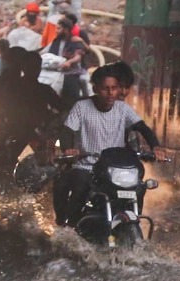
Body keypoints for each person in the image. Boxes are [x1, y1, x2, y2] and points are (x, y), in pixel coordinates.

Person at [53, 65, 166, 226]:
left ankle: (133, 223)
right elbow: (66, 132)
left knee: (138, 188)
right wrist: (68, 149)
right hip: (87, 166)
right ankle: (71, 228)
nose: (111, 93)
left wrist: (156, 147)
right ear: (95, 89)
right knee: (79, 188)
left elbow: (142, 128)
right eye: (106, 89)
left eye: (114, 88)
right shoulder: (82, 107)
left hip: (114, 169)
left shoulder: (123, 109)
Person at [0, 47, 62, 175]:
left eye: (36, 67)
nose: (34, 70)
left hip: (36, 132)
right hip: (12, 131)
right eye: (31, 67)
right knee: (3, 160)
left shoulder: (43, 90)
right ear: (24, 67)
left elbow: (62, 107)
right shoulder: (10, 87)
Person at [42, 14, 84, 108]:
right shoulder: (56, 41)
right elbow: (44, 52)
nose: (56, 31)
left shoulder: (74, 41)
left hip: (70, 73)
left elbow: (78, 56)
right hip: (55, 73)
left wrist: (69, 62)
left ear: (66, 29)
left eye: (59, 28)